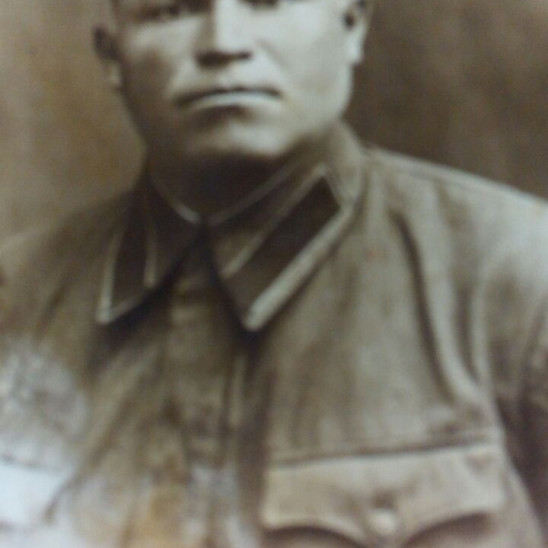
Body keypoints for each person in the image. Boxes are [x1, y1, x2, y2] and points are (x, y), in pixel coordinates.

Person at [0, 0, 547, 546]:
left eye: (267, 3)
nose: (223, 43)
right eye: (173, 10)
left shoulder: (517, 273)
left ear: (352, 25)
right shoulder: (17, 295)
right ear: (111, 56)